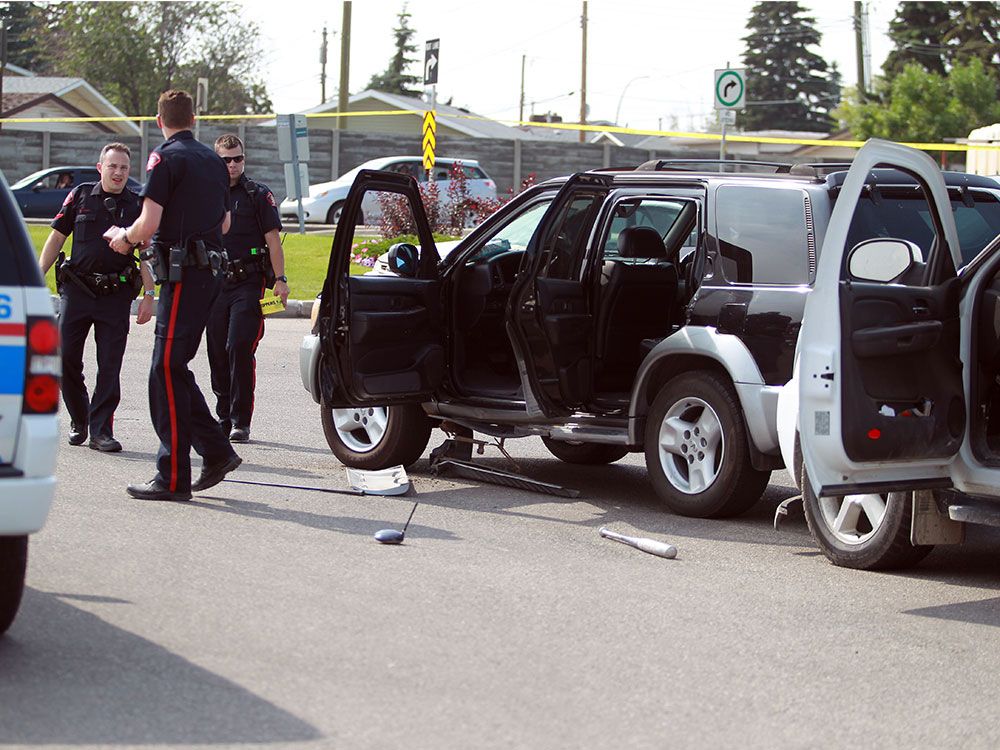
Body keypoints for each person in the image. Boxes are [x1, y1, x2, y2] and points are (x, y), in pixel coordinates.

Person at [107, 89, 241, 502]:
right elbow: (225, 223)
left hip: (186, 275)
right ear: (194, 118)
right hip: (210, 273)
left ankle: (172, 477)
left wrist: (124, 238)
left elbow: (148, 223)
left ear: (159, 121)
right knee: (173, 367)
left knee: (163, 369)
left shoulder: (166, 158)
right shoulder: (213, 162)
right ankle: (216, 453)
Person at [38, 143, 155, 452]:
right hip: (77, 291)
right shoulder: (79, 196)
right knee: (65, 359)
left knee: (110, 364)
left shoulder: (137, 204)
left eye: (124, 168)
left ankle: (101, 431)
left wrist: (150, 294)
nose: (118, 173)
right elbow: (57, 237)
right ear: (100, 167)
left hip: (115, 296)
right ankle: (80, 418)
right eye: (112, 166)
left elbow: (146, 254)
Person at [207, 134, 289, 443]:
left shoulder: (257, 194)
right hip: (214, 285)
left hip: (248, 284)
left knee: (238, 347)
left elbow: (273, 241)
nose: (232, 164)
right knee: (217, 352)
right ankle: (223, 416)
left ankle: (241, 420)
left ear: (244, 159)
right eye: (226, 160)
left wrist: (280, 280)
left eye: (237, 158)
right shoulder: (207, 195)